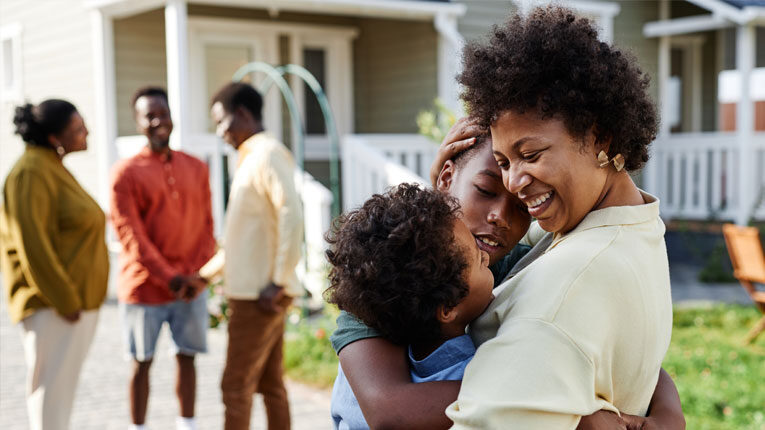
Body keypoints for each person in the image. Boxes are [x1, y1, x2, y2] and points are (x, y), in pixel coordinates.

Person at [331, 133, 683, 429]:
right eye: (484, 190)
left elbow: (596, 337)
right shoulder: (377, 282)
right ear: (446, 179)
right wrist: (571, 412)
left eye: (520, 207)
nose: (500, 216)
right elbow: (389, 410)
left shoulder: (508, 264)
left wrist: (669, 413)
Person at [443, 6, 675, 428]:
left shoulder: (564, 286)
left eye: (530, 155)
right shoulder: (634, 223)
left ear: (599, 136)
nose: (513, 182)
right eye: (503, 161)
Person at [327, 183, 499, 429]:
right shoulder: (472, 376)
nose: (486, 256)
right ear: (448, 308)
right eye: (476, 257)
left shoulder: (355, 376)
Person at [110, 86, 216, 430]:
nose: (159, 121)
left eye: (163, 114)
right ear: (138, 122)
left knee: (188, 357)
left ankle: (188, 424)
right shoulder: (125, 173)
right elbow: (131, 237)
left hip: (190, 286)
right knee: (141, 362)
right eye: (150, 116)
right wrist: (171, 277)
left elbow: (207, 226)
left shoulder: (197, 167)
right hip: (145, 287)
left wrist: (198, 276)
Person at [200, 81, 304, 430]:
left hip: (259, 297)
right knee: (270, 384)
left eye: (220, 122)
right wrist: (204, 276)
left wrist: (278, 280)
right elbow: (241, 242)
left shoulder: (266, 154)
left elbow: (291, 214)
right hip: (256, 292)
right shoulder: (251, 158)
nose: (219, 132)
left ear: (242, 114)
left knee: (235, 386)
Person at [0, 100, 109, 430]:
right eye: (77, 129)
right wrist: (66, 300)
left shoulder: (51, 166)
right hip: (55, 308)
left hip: (71, 305)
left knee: (60, 397)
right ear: (53, 137)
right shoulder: (31, 172)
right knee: (50, 397)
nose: (86, 132)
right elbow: (33, 244)